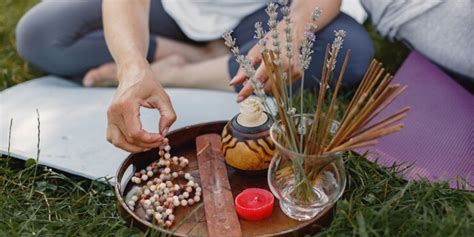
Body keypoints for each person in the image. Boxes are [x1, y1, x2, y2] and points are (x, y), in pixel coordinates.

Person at [16, 0, 374, 152]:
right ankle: (218, 56)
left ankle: (185, 69)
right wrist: (132, 67)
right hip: (173, 9)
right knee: (41, 35)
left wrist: (292, 34)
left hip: (265, 11)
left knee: (349, 53)